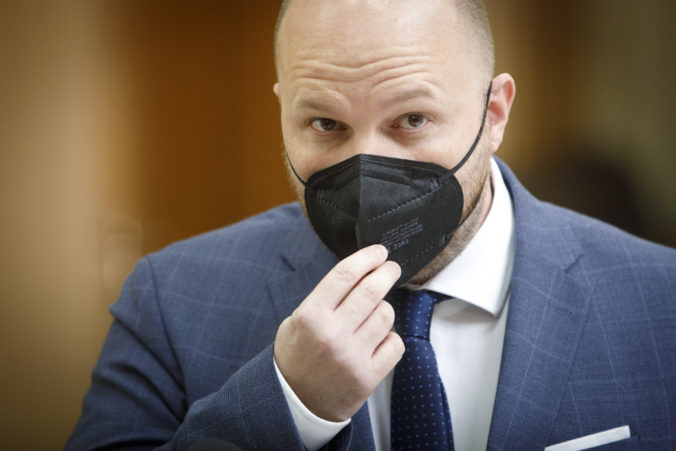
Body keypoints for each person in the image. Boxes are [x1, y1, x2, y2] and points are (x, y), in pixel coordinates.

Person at [67, 0, 676, 450]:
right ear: (283, 113)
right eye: (326, 124)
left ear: (493, 113)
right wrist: (289, 403)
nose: (366, 168)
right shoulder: (170, 299)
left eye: (411, 119)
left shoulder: (660, 300)